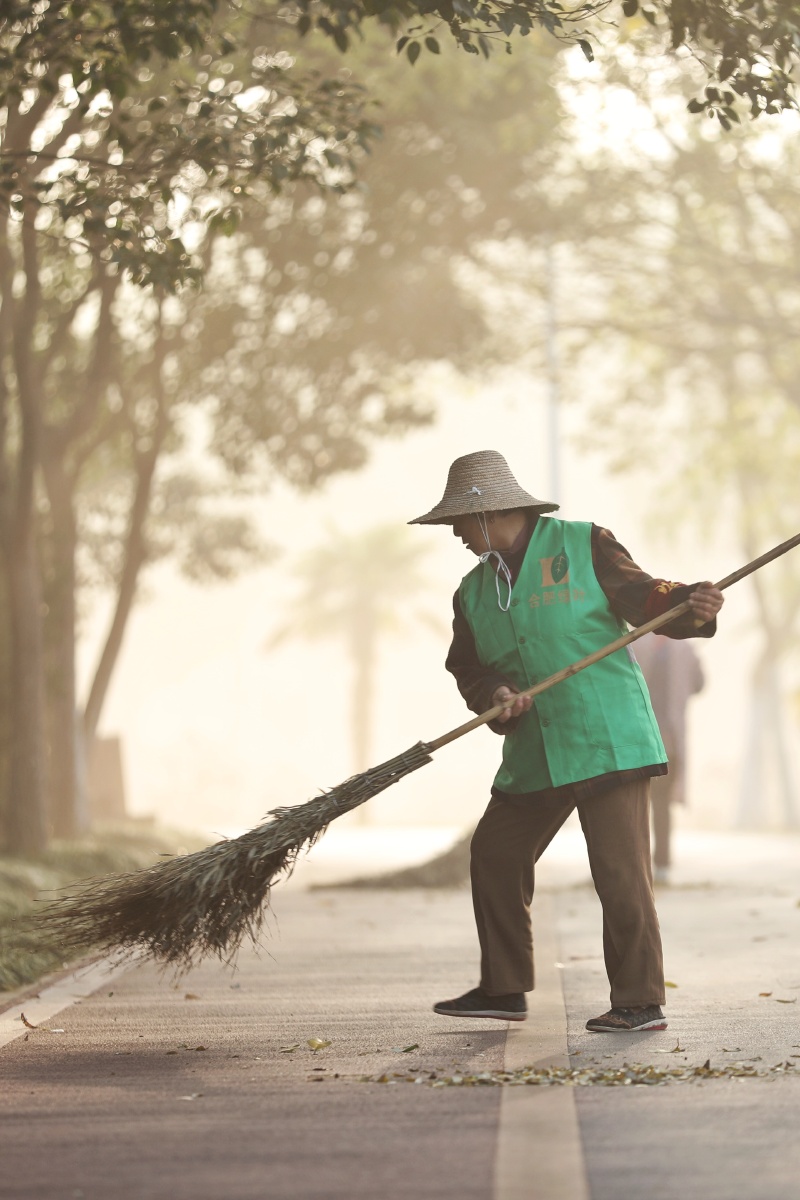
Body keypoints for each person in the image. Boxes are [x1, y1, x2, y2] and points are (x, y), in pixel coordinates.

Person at [409, 450, 724, 1032]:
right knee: (496, 853)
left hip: (607, 737)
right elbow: (468, 669)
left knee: (619, 871)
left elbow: (648, 599)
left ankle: (639, 1000)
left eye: (457, 520)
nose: (452, 532)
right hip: (535, 749)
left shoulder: (583, 544)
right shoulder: (471, 592)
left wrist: (691, 603)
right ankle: (503, 988)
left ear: (487, 512)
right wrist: (498, 694)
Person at [633, 633, 705, 885]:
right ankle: (660, 866)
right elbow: (699, 684)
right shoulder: (684, 648)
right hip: (666, 742)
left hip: (637, 742)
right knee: (660, 807)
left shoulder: (631, 643)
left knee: (634, 806)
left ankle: (636, 867)